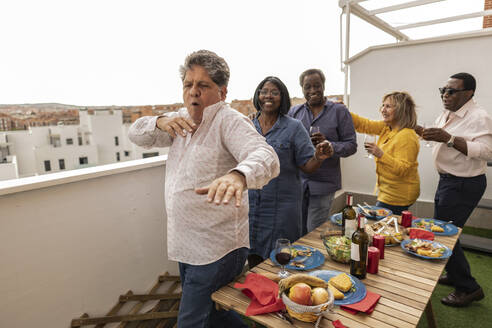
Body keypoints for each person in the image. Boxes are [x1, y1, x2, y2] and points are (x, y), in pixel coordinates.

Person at [128, 50, 280, 327]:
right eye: (188, 84)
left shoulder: (229, 121)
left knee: (190, 321)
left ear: (222, 92)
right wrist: (159, 120)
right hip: (185, 244)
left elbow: (266, 156)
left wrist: (238, 176)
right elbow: (136, 133)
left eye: (203, 85)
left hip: (216, 248)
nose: (193, 92)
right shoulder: (179, 121)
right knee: (213, 312)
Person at [421, 72, 492, 307]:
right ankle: (454, 275)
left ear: (469, 93)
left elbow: (488, 152)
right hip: (449, 181)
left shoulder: (479, 116)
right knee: (446, 231)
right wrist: (423, 131)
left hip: (463, 184)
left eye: (451, 91)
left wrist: (449, 138)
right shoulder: (448, 113)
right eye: (443, 90)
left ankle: (469, 288)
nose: (445, 95)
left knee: (444, 233)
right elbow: (443, 138)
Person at [247, 76, 334, 269]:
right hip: (252, 208)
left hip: (282, 210)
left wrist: (319, 157)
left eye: (274, 92)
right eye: (264, 91)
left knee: (282, 262)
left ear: (282, 97)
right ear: (257, 95)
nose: (268, 96)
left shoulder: (294, 127)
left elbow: (307, 166)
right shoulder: (248, 126)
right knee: (252, 258)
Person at [288, 69, 357, 234]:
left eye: (317, 86)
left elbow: (352, 145)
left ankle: (313, 259)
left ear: (324, 86)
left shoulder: (339, 111)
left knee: (313, 233)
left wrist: (330, 146)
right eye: (307, 87)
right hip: (298, 183)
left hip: (323, 184)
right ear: (302, 89)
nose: (312, 90)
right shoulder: (294, 113)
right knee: (297, 231)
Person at [350, 92, 420, 215]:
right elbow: (364, 125)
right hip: (387, 191)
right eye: (383, 105)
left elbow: (403, 169)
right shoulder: (387, 127)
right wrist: (343, 111)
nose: (383, 110)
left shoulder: (407, 136)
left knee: (381, 224)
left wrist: (381, 154)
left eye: (388, 106)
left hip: (398, 195)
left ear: (401, 110)